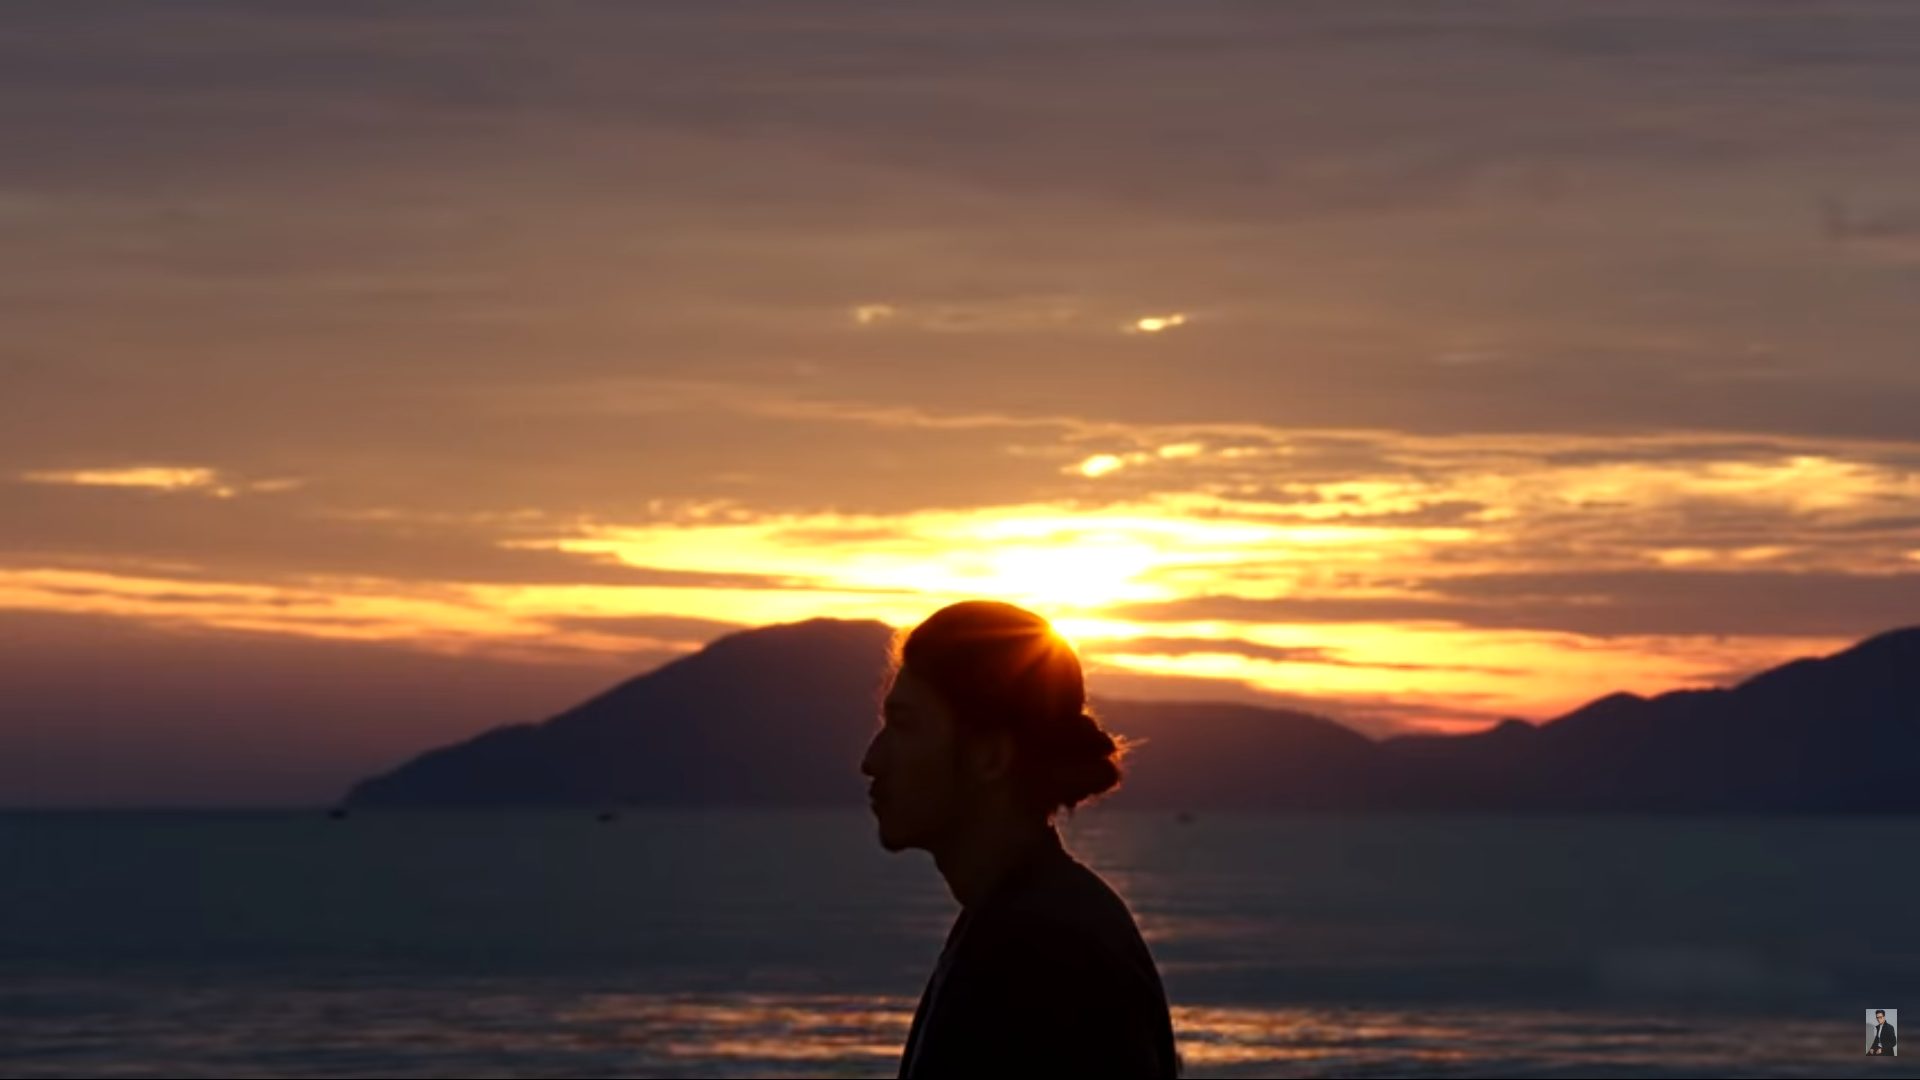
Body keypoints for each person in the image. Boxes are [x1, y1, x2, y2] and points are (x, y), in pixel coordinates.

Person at [859, 600, 1182, 1078]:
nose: (871, 760)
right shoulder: (1019, 920)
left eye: (904, 725)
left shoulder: (1041, 951)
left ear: (990, 756)